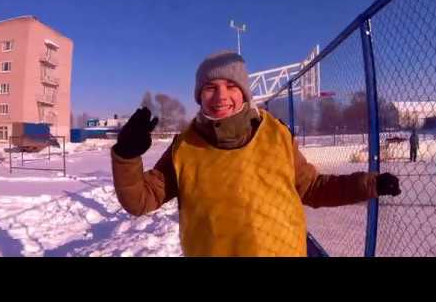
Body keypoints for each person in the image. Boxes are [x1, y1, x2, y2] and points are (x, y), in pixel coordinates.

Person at [111, 51, 401, 257]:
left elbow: (312, 188)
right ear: (199, 95)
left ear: (245, 93)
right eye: (211, 88)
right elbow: (140, 200)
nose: (221, 96)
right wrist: (126, 156)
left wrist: (369, 184)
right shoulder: (184, 148)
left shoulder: (276, 135)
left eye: (231, 86)